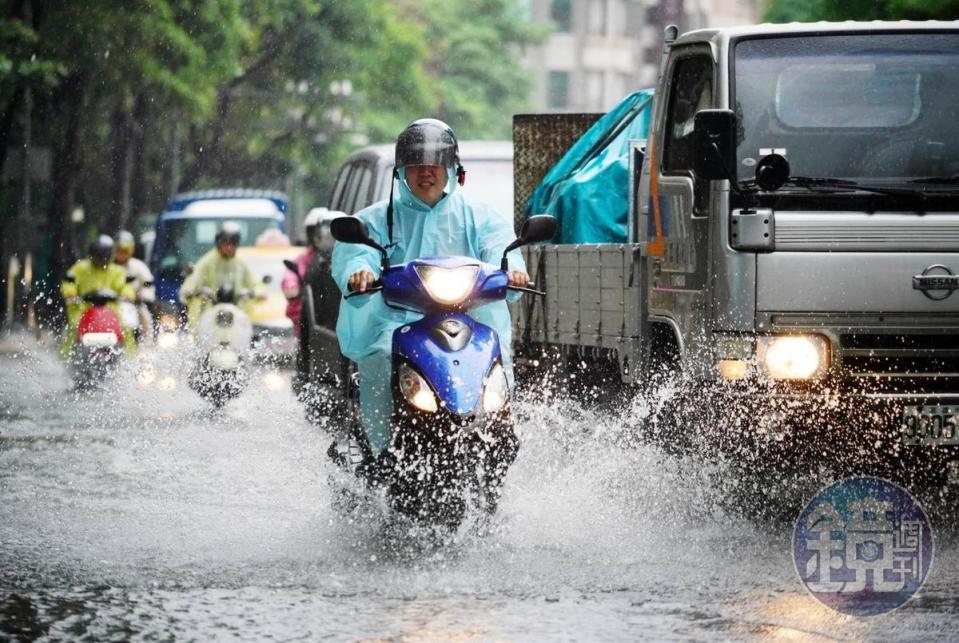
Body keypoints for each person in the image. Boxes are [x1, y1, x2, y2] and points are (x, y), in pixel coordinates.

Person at [332, 118, 529, 459]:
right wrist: (359, 271)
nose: (427, 173)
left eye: (436, 165)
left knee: (496, 362)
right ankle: (380, 449)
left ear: (453, 170)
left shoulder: (479, 217)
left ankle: (501, 436)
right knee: (379, 357)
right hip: (394, 322)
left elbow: (501, 245)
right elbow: (356, 252)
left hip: (470, 318)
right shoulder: (377, 219)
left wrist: (512, 270)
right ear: (401, 172)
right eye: (417, 165)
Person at [60, 235, 137, 358]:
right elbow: (69, 282)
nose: (102, 259)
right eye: (99, 255)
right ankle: (65, 359)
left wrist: (128, 295)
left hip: (112, 312)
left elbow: (127, 286)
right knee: (74, 327)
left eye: (104, 256)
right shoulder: (81, 268)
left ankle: (131, 360)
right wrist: (70, 293)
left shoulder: (117, 271)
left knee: (125, 328)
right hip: (83, 309)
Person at [178, 221, 264, 330]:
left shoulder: (240, 264)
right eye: (225, 243)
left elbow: (254, 282)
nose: (229, 247)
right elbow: (195, 277)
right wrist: (189, 290)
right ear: (219, 243)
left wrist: (259, 292)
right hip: (209, 316)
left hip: (236, 317)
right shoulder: (207, 262)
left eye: (232, 244)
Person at [282, 207, 340, 338]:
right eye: (314, 231)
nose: (323, 235)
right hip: (309, 322)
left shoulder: (348, 258)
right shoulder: (308, 260)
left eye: (328, 230)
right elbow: (291, 277)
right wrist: (292, 287)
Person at [114, 230, 155, 341]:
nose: (122, 254)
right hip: (111, 303)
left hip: (135, 303)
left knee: (145, 319)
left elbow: (148, 283)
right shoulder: (108, 267)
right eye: (119, 250)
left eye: (125, 251)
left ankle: (146, 347)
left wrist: (143, 297)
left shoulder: (138, 266)